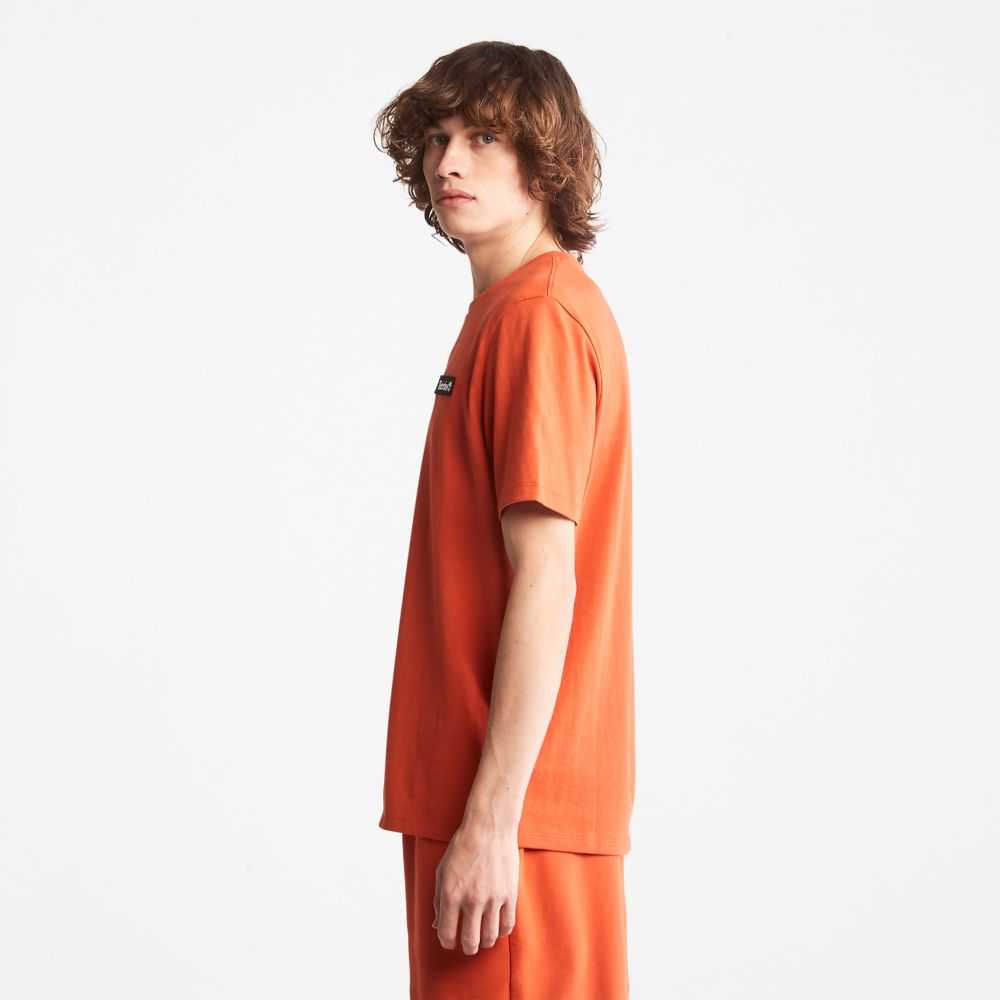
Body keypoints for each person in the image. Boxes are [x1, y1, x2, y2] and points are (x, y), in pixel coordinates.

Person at [372, 40, 635, 999]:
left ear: (545, 159)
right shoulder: (507, 313)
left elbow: (549, 577)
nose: (450, 161)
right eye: (438, 138)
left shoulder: (537, 319)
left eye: (484, 137)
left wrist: (490, 819)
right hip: (487, 801)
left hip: (513, 817)